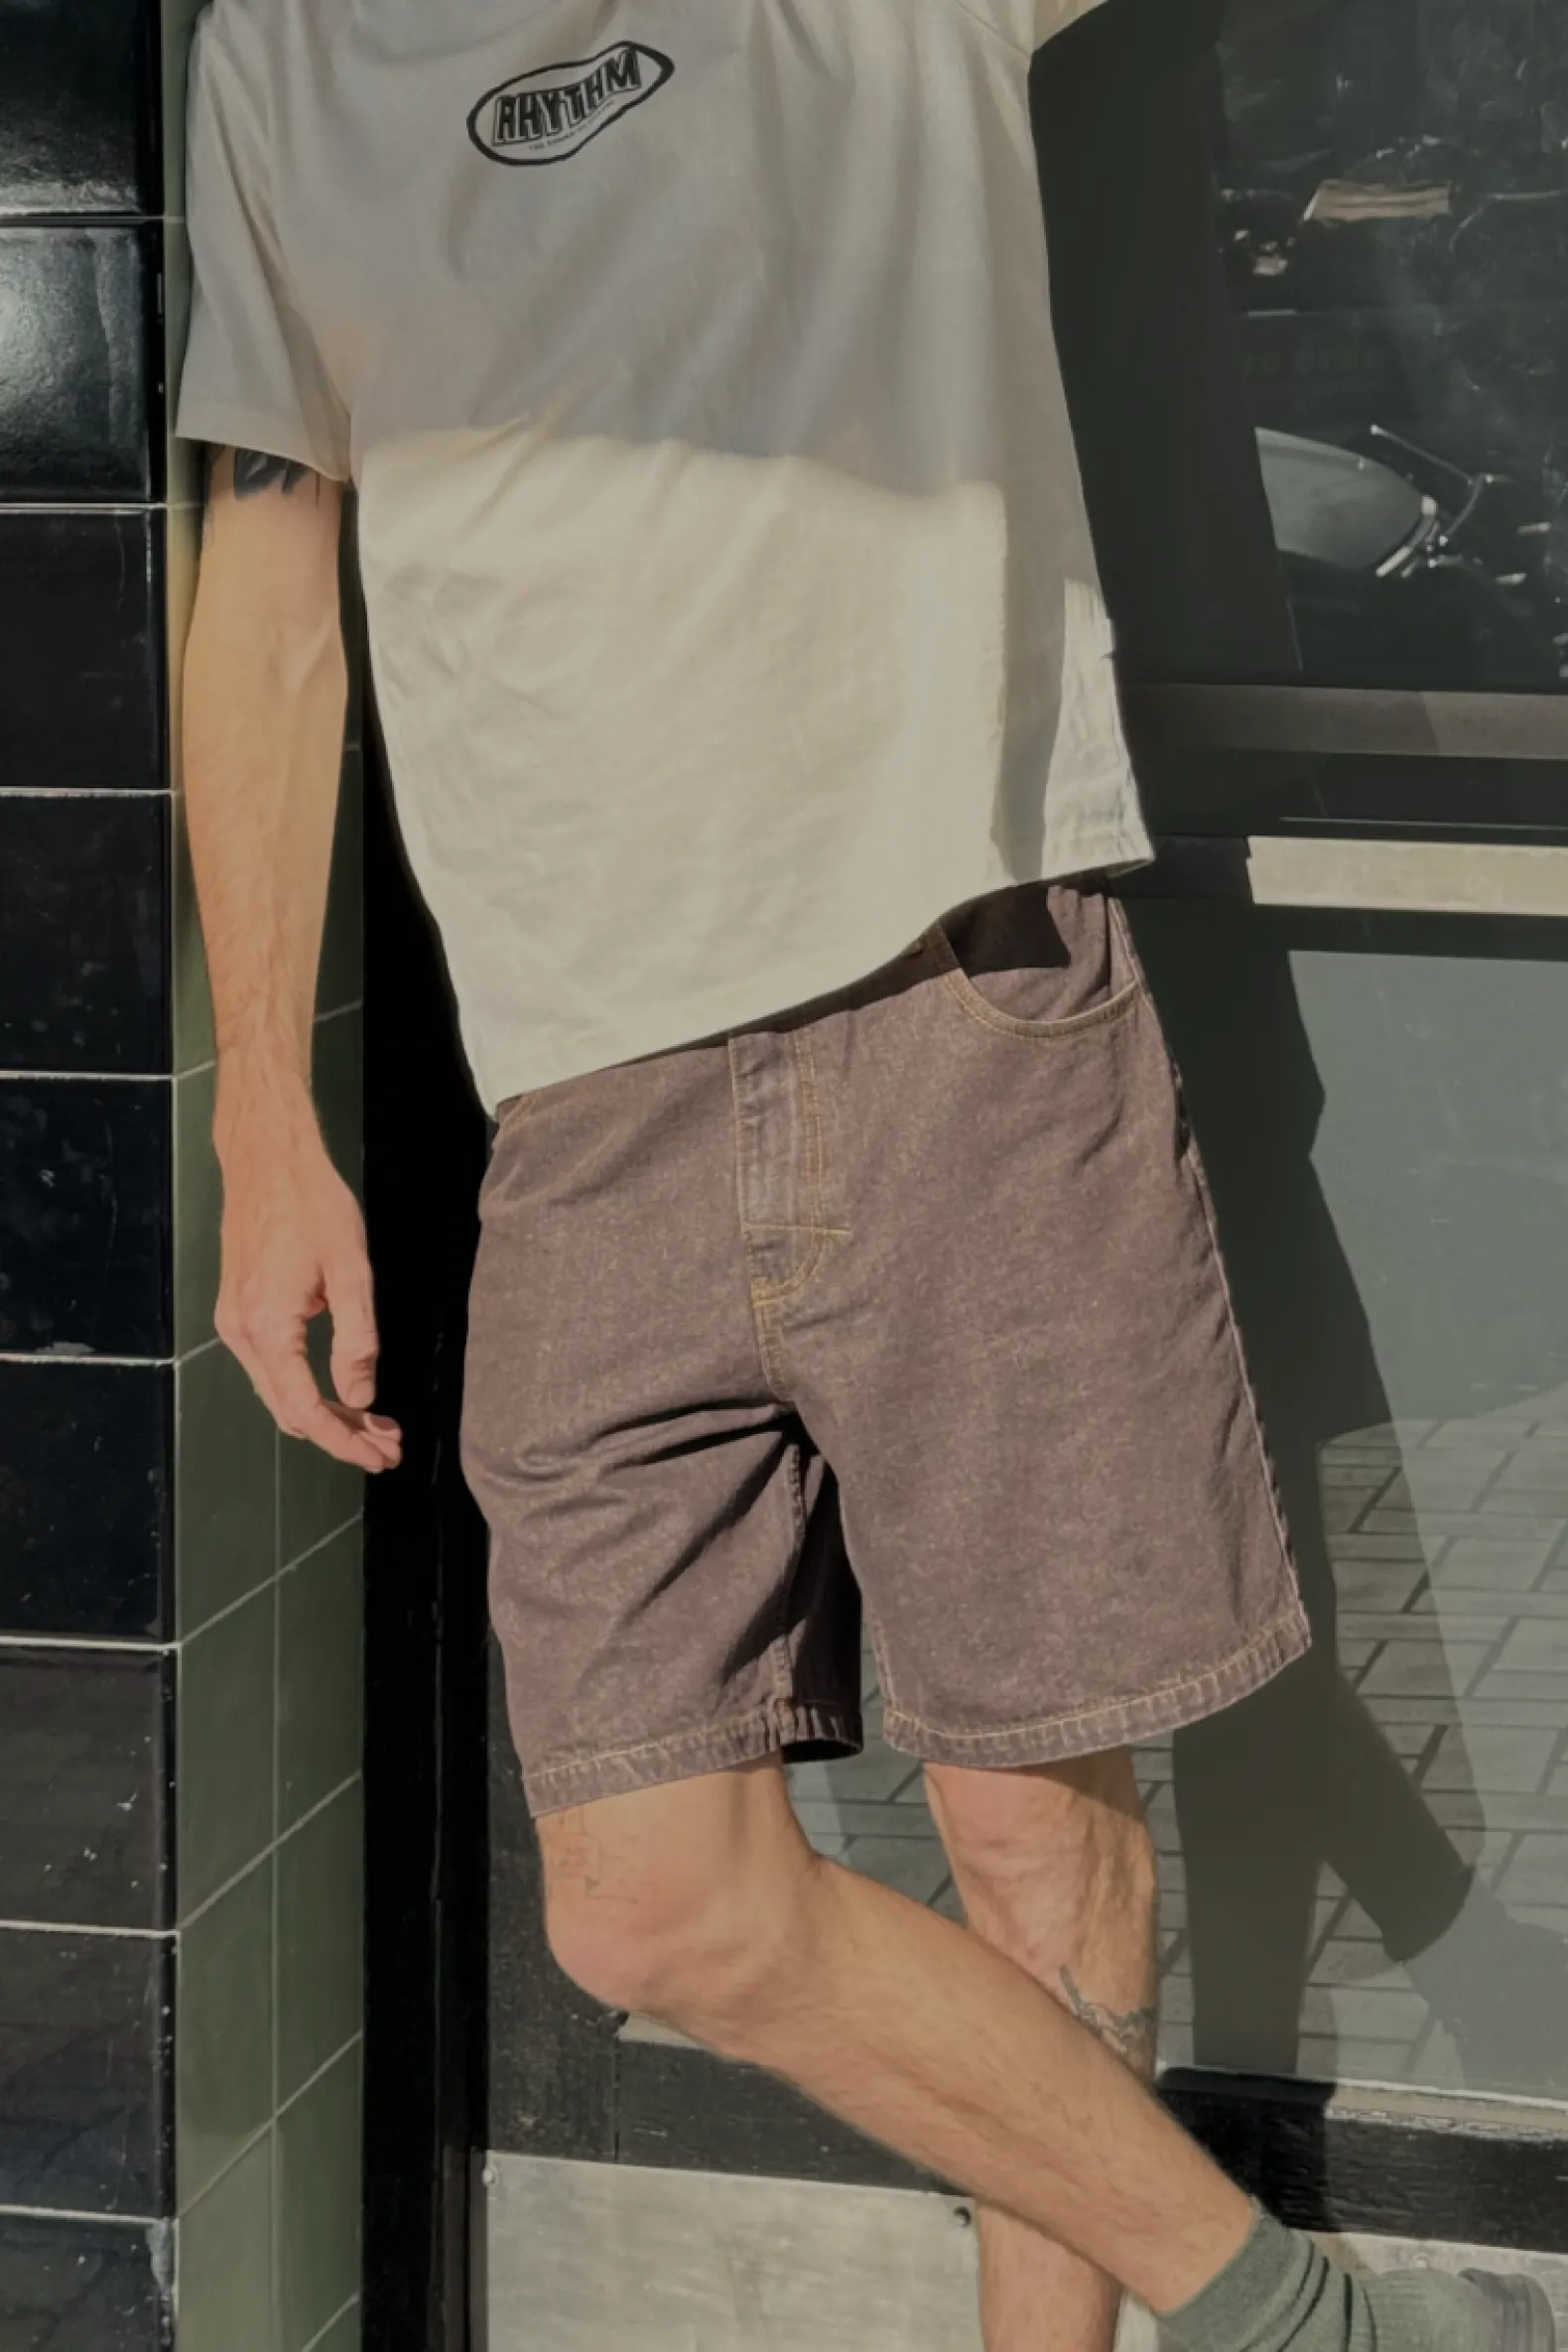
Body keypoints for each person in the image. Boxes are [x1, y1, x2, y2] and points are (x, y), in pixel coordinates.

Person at [175, 2, 1557, 2348]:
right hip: (579, 1097)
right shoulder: (282, 54)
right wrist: (260, 1118)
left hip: (960, 1003)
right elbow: (273, 580)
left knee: (1032, 1838)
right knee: (649, 1904)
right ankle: (1289, 2317)